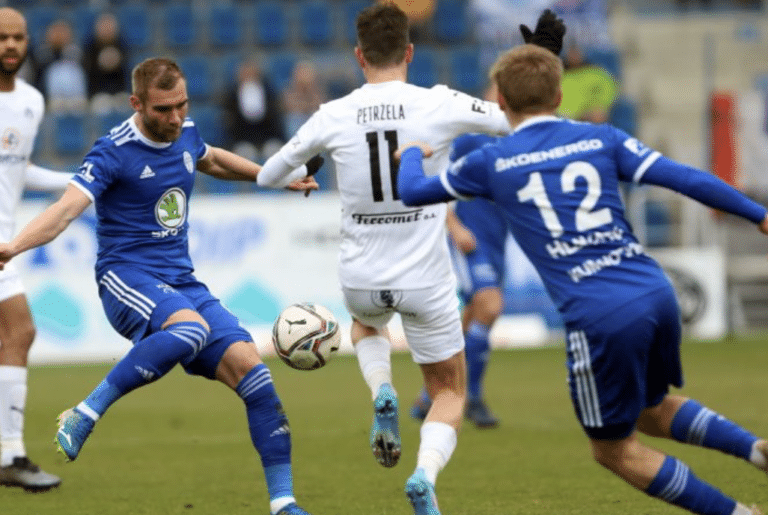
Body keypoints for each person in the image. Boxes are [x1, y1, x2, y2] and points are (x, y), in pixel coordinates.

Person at [396, 43, 768, 515]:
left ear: (501, 102)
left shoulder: (491, 161)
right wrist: (759, 215)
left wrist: (411, 154)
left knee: (613, 449)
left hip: (599, 316)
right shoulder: (601, 138)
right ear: (558, 96)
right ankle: (757, 451)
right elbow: (685, 178)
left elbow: (413, 192)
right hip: (655, 291)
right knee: (650, 409)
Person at [256, 3, 565, 514]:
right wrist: (539, 59)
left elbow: (269, 174)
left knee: (366, 326)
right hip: (425, 277)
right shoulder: (439, 103)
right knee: (449, 391)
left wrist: (305, 168)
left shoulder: (333, 114)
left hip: (361, 274)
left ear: (359, 56)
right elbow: (517, 121)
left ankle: (382, 389)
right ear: (410, 52)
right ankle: (424, 476)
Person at [0, 57, 318, 515]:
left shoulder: (185, 130)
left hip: (181, 281)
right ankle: (85, 411)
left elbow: (211, 158)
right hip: (125, 276)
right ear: (136, 103)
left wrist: (273, 177)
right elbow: (65, 210)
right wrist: (13, 247)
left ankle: (284, 504)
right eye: (163, 109)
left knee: (257, 377)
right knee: (190, 330)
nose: (175, 117)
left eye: (181, 105)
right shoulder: (113, 150)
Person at [0, 7, 75, 492]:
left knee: (18, 332)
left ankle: (10, 456)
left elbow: (17, 168)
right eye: (2, 37)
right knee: (19, 331)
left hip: (4, 245)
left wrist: (77, 182)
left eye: (18, 37)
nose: (10, 45)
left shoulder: (31, 100)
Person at [409, 132, 507, 429]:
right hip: (471, 239)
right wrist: (454, 226)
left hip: (497, 239)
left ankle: (430, 394)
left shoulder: (514, 138)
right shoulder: (470, 139)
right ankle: (472, 398)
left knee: (472, 317)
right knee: (490, 305)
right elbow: (438, 180)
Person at [223, 58, 285, 163]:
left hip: (268, 138)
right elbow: (229, 122)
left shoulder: (269, 92)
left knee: (277, 154)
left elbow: (275, 118)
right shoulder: (231, 96)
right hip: (242, 140)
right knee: (242, 157)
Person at [83, 12, 129, 114]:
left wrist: (116, 62)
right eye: (104, 27)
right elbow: (88, 72)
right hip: (97, 93)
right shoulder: (90, 47)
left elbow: (126, 72)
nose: (107, 30)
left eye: (110, 27)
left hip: (120, 91)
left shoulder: (122, 45)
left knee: (125, 106)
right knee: (102, 106)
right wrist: (101, 64)